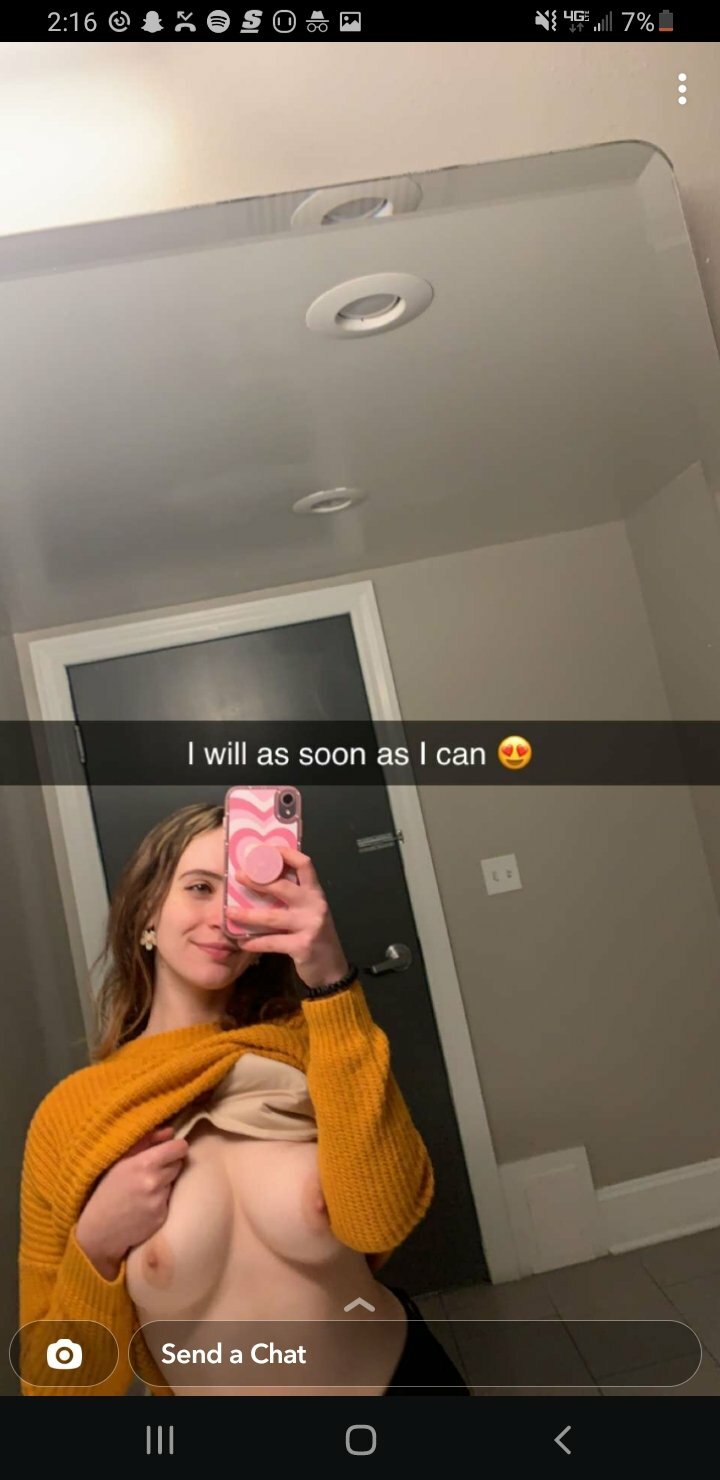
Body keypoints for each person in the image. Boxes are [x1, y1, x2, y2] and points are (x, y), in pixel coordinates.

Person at [18, 801, 470, 1397]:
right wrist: (96, 1245)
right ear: (146, 911)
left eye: (246, 896)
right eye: (200, 888)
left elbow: (382, 1219)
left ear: (263, 938)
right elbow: (54, 1387)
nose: (224, 917)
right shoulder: (72, 1114)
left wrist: (330, 980)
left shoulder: (318, 1046)